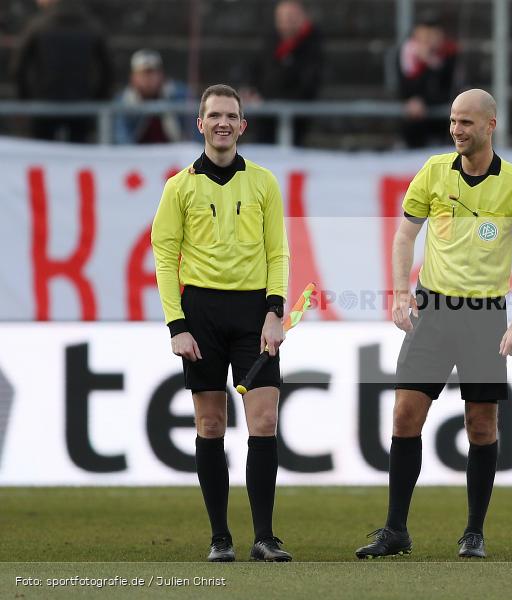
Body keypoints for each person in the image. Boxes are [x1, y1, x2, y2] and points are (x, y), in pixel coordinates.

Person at [355, 89, 512, 559]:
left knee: (481, 425)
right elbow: (405, 234)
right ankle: (395, 529)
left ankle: (473, 532)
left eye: (466, 122)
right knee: (405, 414)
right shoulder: (434, 172)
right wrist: (401, 294)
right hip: (434, 309)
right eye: (453, 121)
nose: (457, 130)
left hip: (484, 315)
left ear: (490, 125)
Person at [151, 84, 292, 563]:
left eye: (231, 115)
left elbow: (278, 251)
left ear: (243, 125)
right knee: (211, 423)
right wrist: (177, 326)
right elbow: (165, 256)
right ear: (200, 124)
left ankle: (265, 536)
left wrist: (275, 312)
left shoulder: (264, 183)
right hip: (203, 315)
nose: (223, 123)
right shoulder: (180, 187)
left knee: (265, 420)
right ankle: (220, 537)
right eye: (214, 115)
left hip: (255, 314)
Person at [10, 0, 112, 142]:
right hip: (82, 105)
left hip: (43, 105)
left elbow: (18, 68)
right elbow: (107, 69)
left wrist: (25, 101)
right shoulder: (91, 24)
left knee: (42, 154)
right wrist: (97, 99)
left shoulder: (37, 25)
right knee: (78, 156)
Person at [244, 0, 323, 145]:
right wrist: (251, 92)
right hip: (264, 119)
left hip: (295, 121)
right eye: (282, 17)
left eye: (291, 17)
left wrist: (269, 101)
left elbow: (308, 85)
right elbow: (255, 70)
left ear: (302, 17)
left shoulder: (312, 46)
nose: (286, 22)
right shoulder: (270, 42)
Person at [396, 14, 458, 148]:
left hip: (444, 113)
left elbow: (448, 89)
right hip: (417, 116)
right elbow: (403, 89)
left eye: (433, 34)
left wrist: (432, 66)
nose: (428, 39)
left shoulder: (450, 55)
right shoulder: (406, 55)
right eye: (424, 34)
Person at [114, 49, 196, 144]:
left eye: (152, 73)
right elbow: (121, 140)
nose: (148, 79)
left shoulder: (180, 95)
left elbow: (194, 134)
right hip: (137, 157)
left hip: (174, 156)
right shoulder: (123, 101)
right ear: (133, 77)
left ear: (162, 75)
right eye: (143, 74)